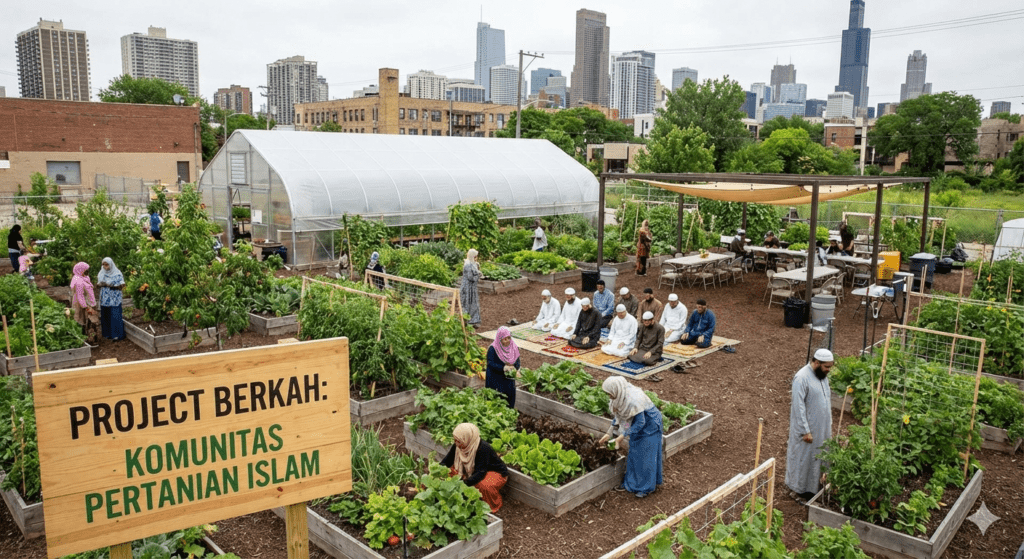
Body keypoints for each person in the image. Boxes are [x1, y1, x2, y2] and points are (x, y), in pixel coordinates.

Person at [598, 377, 663, 498]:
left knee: (645, 457)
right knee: (634, 453)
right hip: (636, 423)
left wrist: (620, 437)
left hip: (650, 425)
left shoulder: (633, 400)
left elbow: (640, 423)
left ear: (615, 389)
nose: (609, 396)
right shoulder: (619, 396)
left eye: (609, 393)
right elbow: (619, 416)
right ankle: (631, 483)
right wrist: (609, 433)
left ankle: (645, 488)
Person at [785, 349, 835, 502]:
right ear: (817, 362)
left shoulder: (822, 376)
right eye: (827, 367)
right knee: (803, 458)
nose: (829, 370)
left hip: (822, 428)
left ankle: (813, 489)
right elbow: (798, 407)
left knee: (817, 458)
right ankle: (798, 490)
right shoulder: (801, 378)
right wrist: (805, 430)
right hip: (808, 430)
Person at [440, 423, 510, 513]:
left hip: (493, 472)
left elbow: (480, 472)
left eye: (458, 441)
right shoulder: (458, 445)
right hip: (472, 471)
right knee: (449, 472)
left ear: (467, 438)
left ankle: (492, 506)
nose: (456, 443)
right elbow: (447, 461)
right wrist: (438, 470)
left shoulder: (483, 448)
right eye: (455, 440)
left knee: (483, 486)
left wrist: (463, 484)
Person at [486, 326, 520, 408]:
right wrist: (503, 368)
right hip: (495, 379)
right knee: (495, 402)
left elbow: (517, 361)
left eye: (509, 338)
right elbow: (490, 363)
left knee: (509, 400)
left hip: (508, 380)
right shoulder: (493, 348)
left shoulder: (514, 347)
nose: (507, 341)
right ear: (499, 339)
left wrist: (516, 368)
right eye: (505, 339)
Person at [96, 257, 126, 341]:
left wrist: (112, 285)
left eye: (107, 265)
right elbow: (97, 285)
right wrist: (100, 284)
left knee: (115, 315)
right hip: (105, 298)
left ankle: (117, 335)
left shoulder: (117, 273)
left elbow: (122, 285)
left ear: (111, 264)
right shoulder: (101, 272)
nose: (105, 266)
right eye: (104, 265)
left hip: (114, 298)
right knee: (106, 315)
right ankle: (107, 334)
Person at [69, 262, 97, 340]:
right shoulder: (78, 281)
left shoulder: (84, 277)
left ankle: (88, 337)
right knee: (81, 320)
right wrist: (86, 307)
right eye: (86, 270)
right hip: (81, 304)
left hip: (87, 302)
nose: (87, 272)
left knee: (88, 321)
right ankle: (82, 338)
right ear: (80, 270)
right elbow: (80, 296)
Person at [461, 249, 482, 325]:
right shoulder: (467, 264)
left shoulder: (473, 263)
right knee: (467, 302)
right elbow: (470, 277)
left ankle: (474, 319)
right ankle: (467, 320)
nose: (476, 259)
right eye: (475, 257)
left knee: (473, 303)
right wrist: (478, 276)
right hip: (467, 288)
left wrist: (478, 273)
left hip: (471, 287)